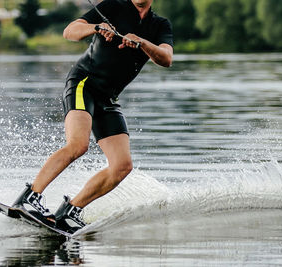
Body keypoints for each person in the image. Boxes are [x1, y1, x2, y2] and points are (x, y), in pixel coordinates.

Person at [12, 0, 173, 233]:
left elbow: (166, 59)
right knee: (78, 145)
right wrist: (96, 27)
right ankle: (29, 197)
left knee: (122, 166)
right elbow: (70, 31)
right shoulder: (113, 7)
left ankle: (71, 211)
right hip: (84, 83)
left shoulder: (159, 25)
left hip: (108, 98)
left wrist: (142, 43)